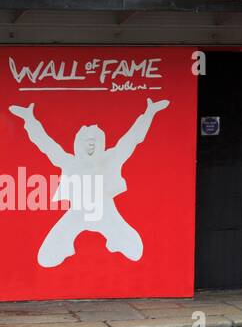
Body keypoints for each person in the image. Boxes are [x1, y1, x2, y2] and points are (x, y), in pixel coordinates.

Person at [8, 99, 167, 268]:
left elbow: (131, 139)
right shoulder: (70, 162)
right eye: (86, 141)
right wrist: (30, 120)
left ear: (101, 143)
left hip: (106, 213)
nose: (90, 145)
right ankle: (63, 247)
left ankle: (118, 241)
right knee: (46, 257)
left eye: (94, 141)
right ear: (78, 143)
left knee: (135, 250)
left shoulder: (111, 159)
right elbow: (46, 145)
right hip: (77, 213)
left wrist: (149, 113)